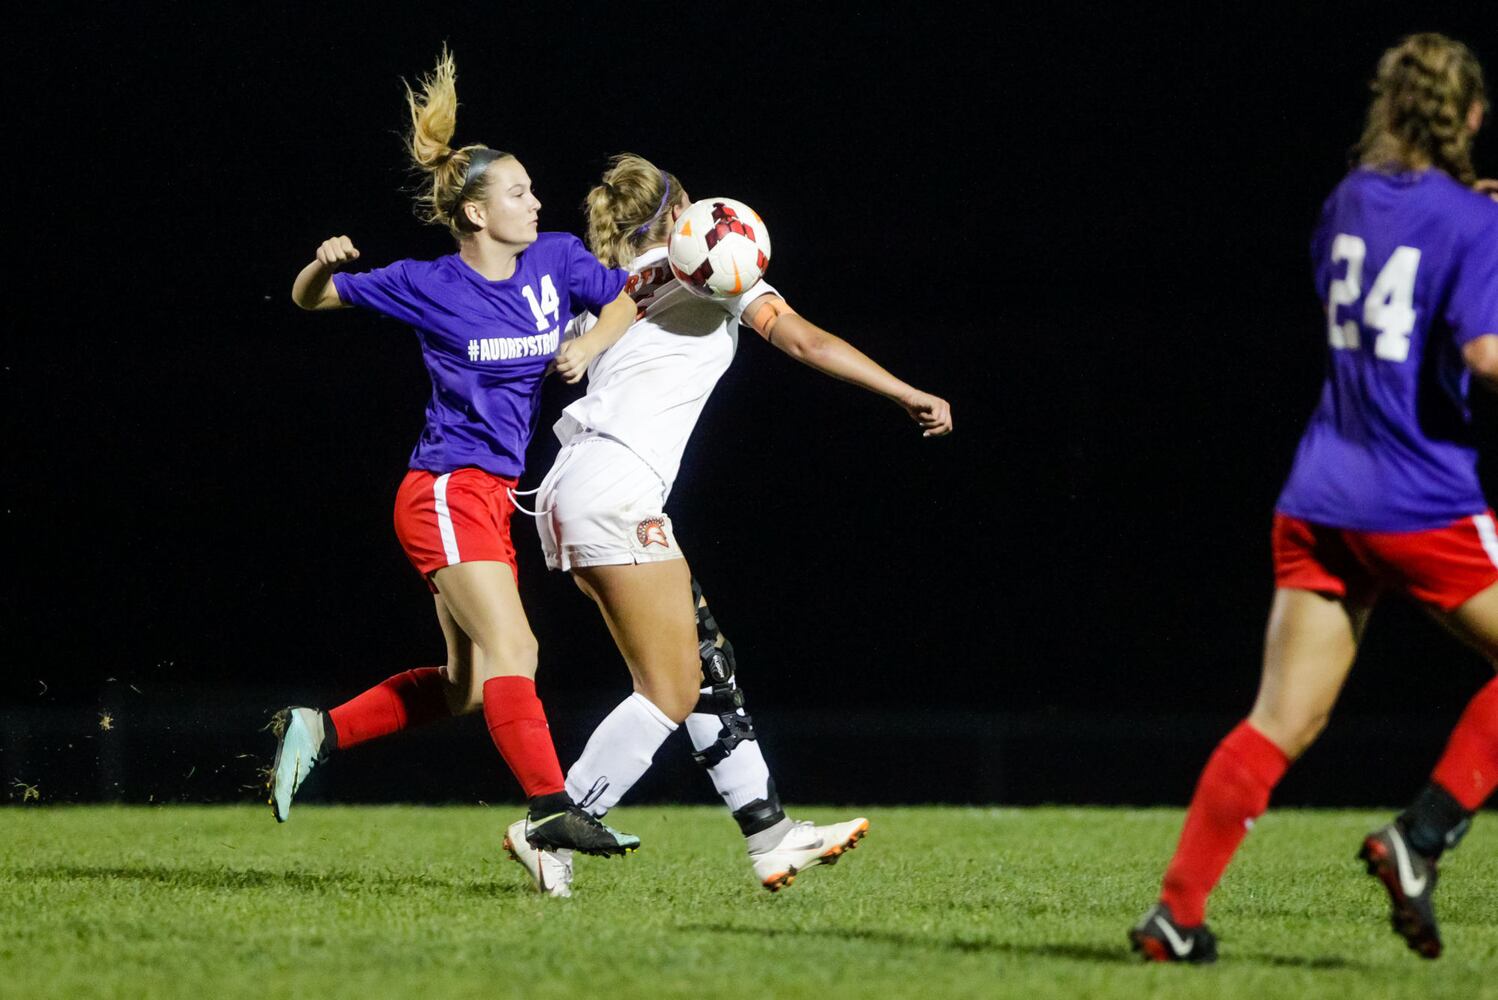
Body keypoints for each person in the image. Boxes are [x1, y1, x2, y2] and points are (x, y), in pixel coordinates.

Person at [1130, 32, 1498, 963]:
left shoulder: (1346, 199)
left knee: (1277, 723)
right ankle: (1421, 838)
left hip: (1321, 498)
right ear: (1471, 117)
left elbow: (1401, 256)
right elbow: (1484, 354)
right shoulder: (1469, 222)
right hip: (1419, 502)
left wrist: (1471, 220)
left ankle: (1176, 915)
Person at [500, 154, 953, 896]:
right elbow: (804, 341)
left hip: (581, 486)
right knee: (669, 688)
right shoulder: (710, 266)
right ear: (683, 210)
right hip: (617, 492)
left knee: (706, 663)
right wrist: (903, 392)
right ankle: (558, 818)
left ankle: (771, 836)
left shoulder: (615, 289)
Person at [269, 49, 643, 857]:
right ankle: (550, 807)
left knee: (471, 688)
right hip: (443, 490)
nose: (536, 201)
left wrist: (586, 351)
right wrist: (317, 265)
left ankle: (322, 731)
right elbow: (312, 300)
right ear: (476, 214)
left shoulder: (555, 262)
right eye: (519, 192)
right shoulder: (427, 281)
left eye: (532, 189)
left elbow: (622, 303)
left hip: (491, 495)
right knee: (519, 651)